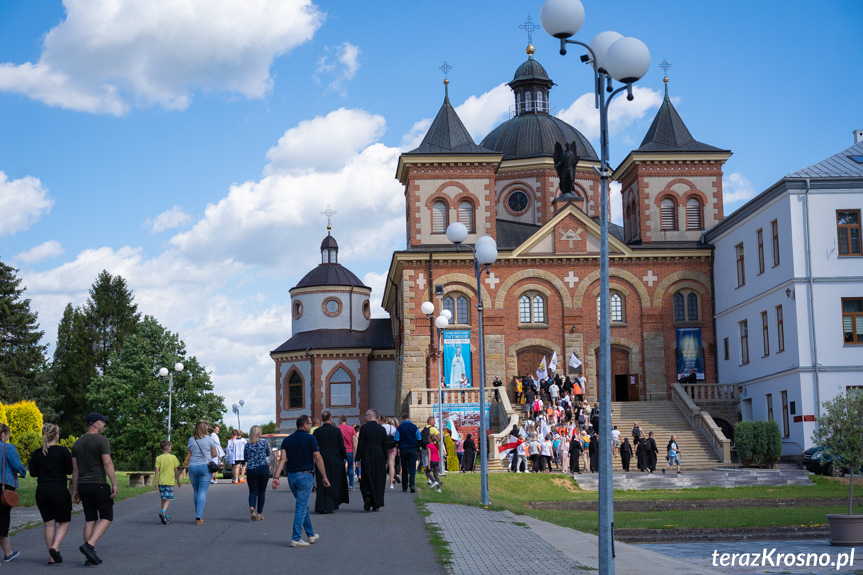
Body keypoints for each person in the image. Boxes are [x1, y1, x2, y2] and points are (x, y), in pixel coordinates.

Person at [272, 415, 330, 547]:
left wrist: (276, 477)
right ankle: (296, 538)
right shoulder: (310, 438)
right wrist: (324, 477)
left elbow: (282, 459)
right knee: (301, 507)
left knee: (303, 505)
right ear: (304, 425)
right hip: (305, 476)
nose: (310, 426)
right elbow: (318, 458)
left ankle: (310, 534)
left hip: (292, 477)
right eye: (310, 424)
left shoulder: (287, 440)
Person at [71, 412, 117, 566]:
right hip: (98, 484)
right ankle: (89, 546)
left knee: (90, 519)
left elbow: (75, 470)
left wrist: (75, 490)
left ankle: (88, 555)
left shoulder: (76, 443)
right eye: (102, 422)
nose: (104, 424)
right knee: (107, 516)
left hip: (83, 486)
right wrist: (114, 483)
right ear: (95, 424)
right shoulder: (101, 440)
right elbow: (107, 463)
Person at [30, 423, 73, 564]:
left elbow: (33, 473)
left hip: (42, 490)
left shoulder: (37, 453)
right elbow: (69, 470)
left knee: (49, 524)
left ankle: (51, 556)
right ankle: (55, 547)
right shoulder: (63, 451)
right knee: (65, 521)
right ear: (56, 436)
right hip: (58, 489)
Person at [312, 412, 349, 514]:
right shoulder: (336, 431)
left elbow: (314, 447)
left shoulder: (317, 432)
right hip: (335, 458)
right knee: (333, 482)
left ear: (322, 419)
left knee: (321, 481)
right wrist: (344, 456)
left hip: (321, 458)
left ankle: (321, 505)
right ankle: (331, 505)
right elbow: (341, 446)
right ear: (331, 418)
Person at [187, 420, 219, 524]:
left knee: (196, 491)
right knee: (202, 492)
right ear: (205, 429)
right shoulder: (209, 439)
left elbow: (190, 454)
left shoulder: (191, 440)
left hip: (192, 467)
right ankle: (198, 517)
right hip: (205, 467)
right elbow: (214, 454)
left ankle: (198, 514)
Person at [244, 425, 272, 521]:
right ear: (258, 433)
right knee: (262, 491)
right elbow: (268, 453)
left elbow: (246, 458)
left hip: (251, 469)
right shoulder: (264, 442)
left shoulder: (247, 444)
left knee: (252, 491)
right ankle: (260, 514)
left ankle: (252, 506)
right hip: (263, 468)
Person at [154, 440, 181, 525]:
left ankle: (166, 517)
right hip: (169, 482)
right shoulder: (173, 457)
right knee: (168, 499)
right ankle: (163, 511)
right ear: (168, 448)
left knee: (163, 499)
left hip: (161, 482)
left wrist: (155, 482)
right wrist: (178, 480)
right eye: (170, 447)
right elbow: (176, 470)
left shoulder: (158, 458)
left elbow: (157, 472)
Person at [394, 413, 421, 492]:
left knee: (404, 467)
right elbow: (419, 438)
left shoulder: (399, 428)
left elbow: (396, 439)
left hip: (403, 449)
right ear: (409, 419)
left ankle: (404, 486)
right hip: (413, 449)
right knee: (412, 468)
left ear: (402, 419)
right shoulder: (414, 427)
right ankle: (412, 485)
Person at [338, 415, 357, 491]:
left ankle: (341, 485)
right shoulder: (351, 429)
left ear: (340, 420)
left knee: (341, 469)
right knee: (351, 467)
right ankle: (351, 485)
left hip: (341, 451)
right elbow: (354, 441)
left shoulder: (338, 429)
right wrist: (355, 451)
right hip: (350, 451)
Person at [380, 417, 398, 489]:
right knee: (391, 464)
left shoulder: (382, 427)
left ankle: (382, 481)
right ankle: (391, 483)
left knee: (384, 463)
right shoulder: (394, 428)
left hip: (384, 447)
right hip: (392, 447)